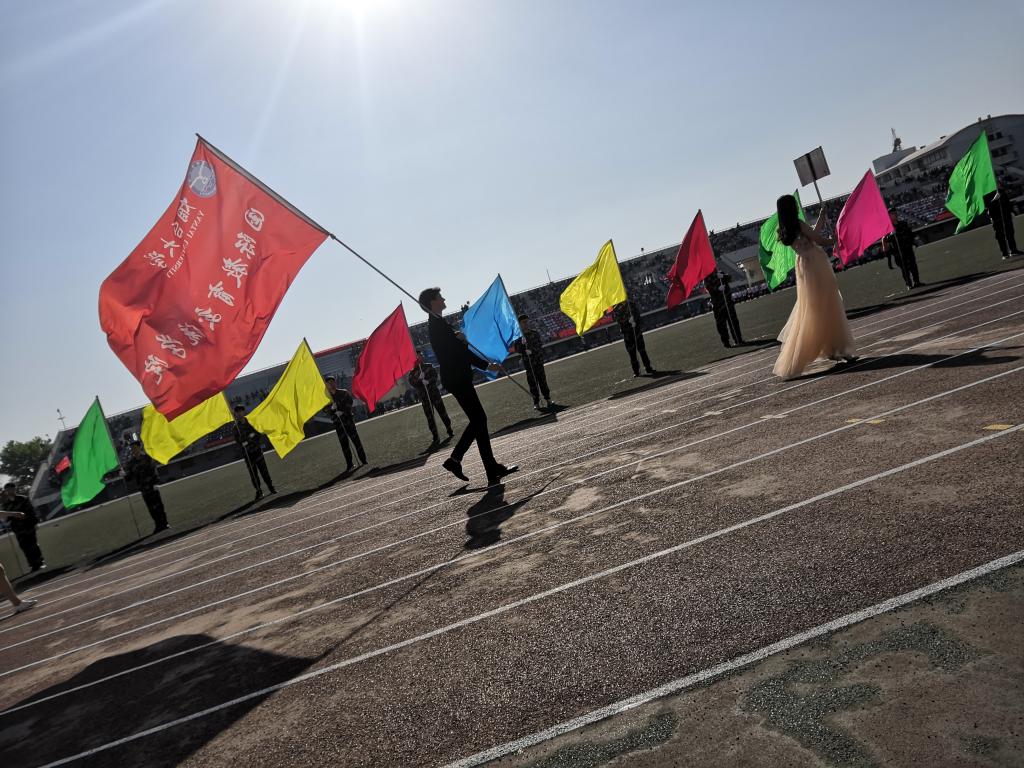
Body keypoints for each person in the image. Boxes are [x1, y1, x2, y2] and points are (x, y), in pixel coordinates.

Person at [420, 286, 517, 486]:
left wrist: (461, 342)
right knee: (479, 419)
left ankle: (476, 465)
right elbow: (458, 353)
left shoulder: (439, 324)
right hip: (456, 379)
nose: (443, 298)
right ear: (432, 303)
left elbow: (455, 350)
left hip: (458, 378)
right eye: (440, 297)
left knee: (479, 420)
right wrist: (484, 363)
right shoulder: (437, 326)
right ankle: (463, 461)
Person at [773, 194, 858, 380]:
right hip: (816, 264)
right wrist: (835, 240)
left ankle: (833, 348)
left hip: (804, 266)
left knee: (815, 307)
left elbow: (811, 235)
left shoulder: (785, 229)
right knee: (829, 304)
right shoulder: (798, 224)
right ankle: (838, 348)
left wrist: (821, 217)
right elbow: (818, 240)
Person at [408, 352, 454, 445]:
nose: (419, 357)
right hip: (424, 397)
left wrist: (428, 381)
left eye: (420, 355)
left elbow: (435, 376)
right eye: (417, 356)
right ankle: (435, 436)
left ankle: (449, 429)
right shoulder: (412, 372)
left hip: (434, 394)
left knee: (442, 412)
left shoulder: (429, 366)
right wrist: (419, 380)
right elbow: (412, 383)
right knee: (430, 417)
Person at [232, 405, 276, 500]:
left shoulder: (252, 422)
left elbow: (258, 433)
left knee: (264, 470)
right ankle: (259, 491)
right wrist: (247, 439)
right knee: (253, 474)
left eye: (241, 411)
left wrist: (249, 438)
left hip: (257, 450)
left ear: (244, 412)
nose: (239, 413)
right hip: (248, 454)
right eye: (237, 412)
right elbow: (239, 442)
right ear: (235, 414)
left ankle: (271, 487)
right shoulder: (236, 428)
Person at [124, 441, 169, 533]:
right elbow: (129, 478)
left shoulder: (147, 457)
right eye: (132, 449)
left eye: (134, 448)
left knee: (159, 505)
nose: (133, 450)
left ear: (139, 447)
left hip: (152, 486)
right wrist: (124, 474)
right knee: (151, 508)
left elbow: (153, 470)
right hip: (143, 489)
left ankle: (165, 523)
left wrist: (156, 483)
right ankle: (158, 525)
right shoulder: (131, 463)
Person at [324, 376, 368, 469]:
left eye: (332, 382)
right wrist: (331, 409)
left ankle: (363, 460)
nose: (331, 384)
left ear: (335, 382)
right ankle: (349, 464)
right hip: (338, 424)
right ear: (326, 385)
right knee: (344, 445)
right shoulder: (327, 398)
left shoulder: (343, 392)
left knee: (356, 441)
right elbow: (325, 410)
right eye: (328, 383)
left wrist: (343, 411)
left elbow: (350, 402)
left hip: (348, 421)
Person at [512, 313, 553, 410]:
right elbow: (517, 349)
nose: (526, 324)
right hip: (529, 364)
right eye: (523, 322)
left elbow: (539, 345)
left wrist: (532, 350)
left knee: (543, 381)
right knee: (533, 384)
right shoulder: (518, 337)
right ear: (520, 324)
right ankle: (536, 402)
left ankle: (548, 399)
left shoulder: (535, 333)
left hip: (538, 361)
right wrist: (523, 349)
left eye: (527, 322)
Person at [0, 483, 44, 571]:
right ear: (5, 492)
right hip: (17, 529)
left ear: (14, 489)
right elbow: (6, 518)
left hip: (28, 525)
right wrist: (6, 519)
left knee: (33, 544)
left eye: (11, 489)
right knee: (24, 546)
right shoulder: (6, 504)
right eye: (7, 490)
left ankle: (39, 562)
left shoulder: (23, 499)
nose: (9, 491)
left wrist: (34, 523)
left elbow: (31, 512)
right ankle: (32, 564)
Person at [612, 299, 656, 377]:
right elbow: (618, 320)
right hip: (628, 334)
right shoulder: (616, 308)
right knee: (632, 354)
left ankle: (648, 368)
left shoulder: (631, 304)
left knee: (642, 351)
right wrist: (627, 321)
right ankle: (636, 371)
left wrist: (635, 320)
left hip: (636, 331)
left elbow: (638, 315)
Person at [882, 208, 921, 289]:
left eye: (895, 213)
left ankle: (917, 282)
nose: (895, 214)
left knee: (913, 266)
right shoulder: (888, 227)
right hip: (898, 252)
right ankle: (909, 284)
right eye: (892, 213)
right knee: (904, 268)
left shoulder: (903, 223)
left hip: (908, 248)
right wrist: (890, 235)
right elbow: (884, 239)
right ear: (889, 216)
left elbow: (910, 234)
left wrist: (914, 242)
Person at [705, 271, 743, 348]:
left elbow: (730, 278)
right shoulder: (707, 278)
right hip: (718, 305)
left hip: (728, 302)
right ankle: (726, 343)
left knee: (734, 322)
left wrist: (723, 276)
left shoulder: (720, 272)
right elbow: (709, 289)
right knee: (721, 325)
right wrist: (717, 289)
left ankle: (738, 339)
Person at [987, 185, 1022, 260]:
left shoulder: (1001, 191)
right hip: (996, 218)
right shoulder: (987, 193)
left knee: (1010, 233)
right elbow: (987, 206)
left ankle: (1013, 250)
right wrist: (994, 200)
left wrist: (1011, 211)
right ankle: (1004, 253)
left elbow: (1007, 203)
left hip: (1006, 215)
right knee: (1000, 236)